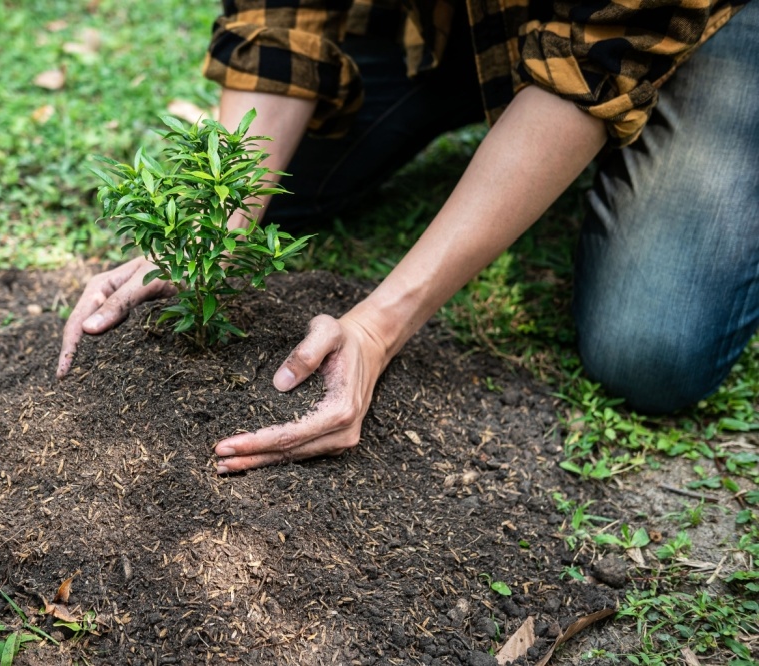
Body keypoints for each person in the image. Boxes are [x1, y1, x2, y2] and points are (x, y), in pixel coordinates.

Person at [58, 0, 757, 474]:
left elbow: (598, 53)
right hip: (457, 19)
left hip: (677, 25)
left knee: (651, 346)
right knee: (286, 182)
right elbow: (279, 16)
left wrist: (380, 324)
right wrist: (213, 228)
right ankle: (495, 101)